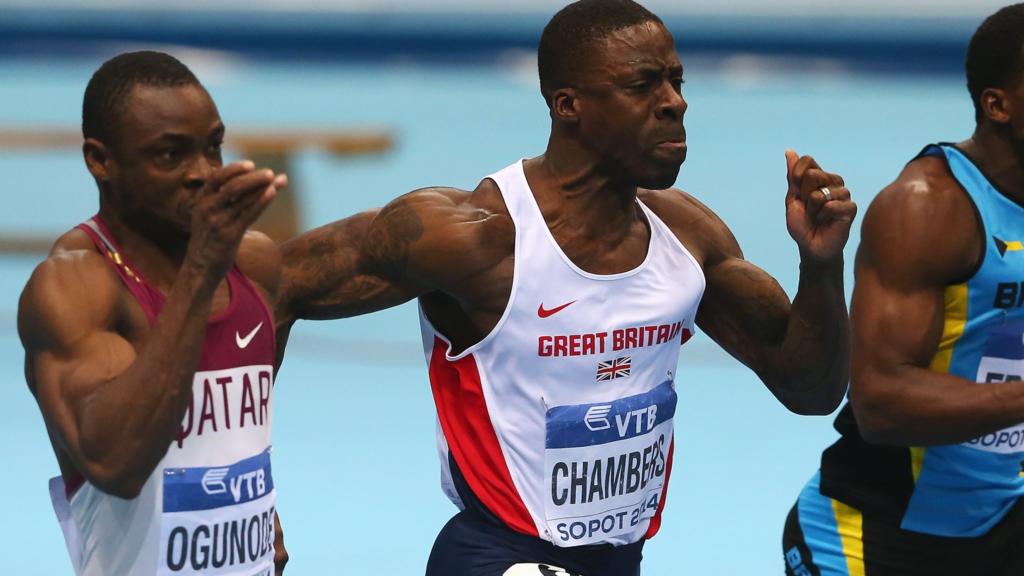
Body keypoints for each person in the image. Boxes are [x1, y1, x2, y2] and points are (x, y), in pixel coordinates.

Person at [275, 1, 857, 574]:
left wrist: (821, 263)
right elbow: (273, 285)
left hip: (621, 560)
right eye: (643, 86)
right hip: (497, 557)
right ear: (568, 105)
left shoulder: (686, 235)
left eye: (676, 82)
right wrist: (254, 497)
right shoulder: (475, 238)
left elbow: (810, 389)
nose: (675, 104)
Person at [19, 51, 290, 575]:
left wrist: (252, 506)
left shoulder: (253, 263)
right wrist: (201, 269)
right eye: (171, 155)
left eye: (213, 148)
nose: (204, 174)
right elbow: (115, 463)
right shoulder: (75, 285)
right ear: (100, 160)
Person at [781, 5, 1024, 575]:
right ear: (998, 105)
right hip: (874, 538)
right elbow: (881, 403)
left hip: (1001, 525)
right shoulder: (928, 209)